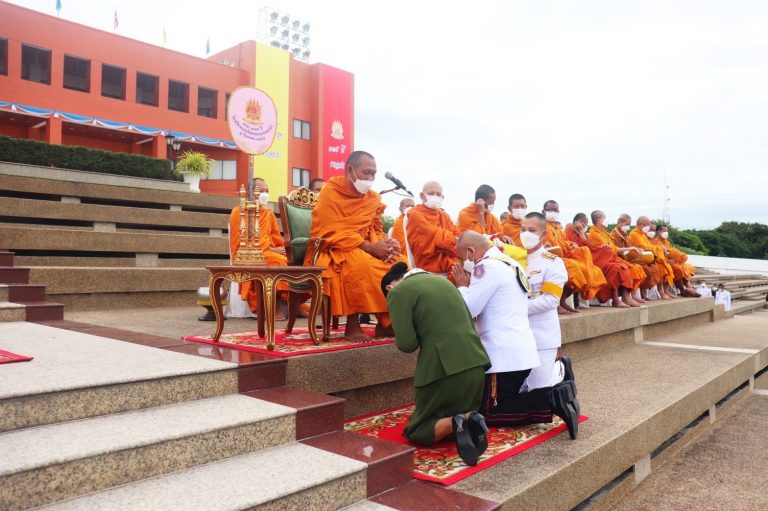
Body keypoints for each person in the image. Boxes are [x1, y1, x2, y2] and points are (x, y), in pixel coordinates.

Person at [451, 231, 580, 439]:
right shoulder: (511, 263)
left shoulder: (486, 267)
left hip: (502, 355)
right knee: (502, 400)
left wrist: (461, 287)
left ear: (471, 251)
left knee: (489, 412)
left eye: (461, 257)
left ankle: (553, 399)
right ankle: (557, 392)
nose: (462, 263)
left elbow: (469, 308)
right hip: (520, 351)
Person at [382, 262, 491, 465]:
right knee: (448, 419)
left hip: (442, 370)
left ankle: (459, 421)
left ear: (389, 287)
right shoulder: (446, 283)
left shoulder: (398, 293)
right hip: (476, 362)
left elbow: (407, 344)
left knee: (417, 429)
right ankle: (470, 416)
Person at [306, 150, 407, 342]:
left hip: (365, 246)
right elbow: (329, 230)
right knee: (360, 264)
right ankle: (352, 325)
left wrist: (385, 244)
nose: (370, 178)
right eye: (366, 173)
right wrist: (368, 247)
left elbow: (375, 228)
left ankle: (386, 323)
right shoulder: (330, 192)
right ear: (349, 170)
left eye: (373, 174)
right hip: (333, 249)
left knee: (399, 263)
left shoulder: (372, 198)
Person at [520, 212, 576, 391]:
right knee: (517, 389)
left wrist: (515, 309)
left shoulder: (553, 262)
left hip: (541, 335)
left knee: (538, 388)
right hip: (516, 335)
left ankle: (559, 370)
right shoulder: (514, 260)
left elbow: (551, 300)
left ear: (543, 234)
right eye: (523, 229)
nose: (525, 234)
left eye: (531, 230)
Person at [228, 177, 289, 316]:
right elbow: (244, 243)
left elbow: (275, 238)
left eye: (267, 191)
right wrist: (273, 250)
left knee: (292, 260)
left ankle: (293, 304)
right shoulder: (239, 212)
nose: (265, 194)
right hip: (248, 254)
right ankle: (274, 306)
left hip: (267, 252)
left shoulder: (268, 213)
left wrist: (284, 249)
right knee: (278, 261)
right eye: (261, 191)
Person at [541, 200, 607, 314]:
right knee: (575, 269)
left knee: (589, 268)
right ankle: (558, 303)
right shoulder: (542, 226)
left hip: (563, 256)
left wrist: (573, 242)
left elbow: (566, 242)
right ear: (543, 211)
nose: (553, 212)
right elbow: (550, 245)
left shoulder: (557, 228)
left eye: (555, 210)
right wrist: (568, 244)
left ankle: (562, 301)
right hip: (549, 257)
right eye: (550, 210)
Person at [567, 213, 640, 307]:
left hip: (603, 258)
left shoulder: (604, 233)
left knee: (625, 267)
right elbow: (589, 248)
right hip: (595, 259)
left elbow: (591, 247)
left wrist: (605, 248)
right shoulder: (591, 232)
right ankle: (615, 299)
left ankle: (626, 297)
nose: (586, 226)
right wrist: (604, 248)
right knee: (615, 268)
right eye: (604, 219)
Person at [404, 181, 459, 274]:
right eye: (431, 194)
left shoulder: (444, 215)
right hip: (429, 264)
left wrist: (463, 240)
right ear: (422, 196)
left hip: (450, 261)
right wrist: (458, 241)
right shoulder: (415, 214)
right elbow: (437, 237)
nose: (435, 197)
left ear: (442, 198)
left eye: (438, 194)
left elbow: (457, 233)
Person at [628, 217, 674, 300]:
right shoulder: (634, 234)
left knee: (660, 267)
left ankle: (662, 291)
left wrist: (659, 249)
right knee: (653, 268)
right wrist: (659, 249)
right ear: (641, 225)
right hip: (637, 259)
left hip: (646, 258)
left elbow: (649, 247)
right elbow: (644, 247)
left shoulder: (642, 234)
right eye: (647, 226)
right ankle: (644, 293)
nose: (648, 228)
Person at [656, 225, 700, 297]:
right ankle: (682, 290)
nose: (666, 233)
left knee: (687, 267)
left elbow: (673, 252)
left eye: (667, 231)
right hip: (665, 261)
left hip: (672, 261)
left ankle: (689, 287)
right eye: (664, 231)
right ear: (658, 232)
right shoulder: (656, 241)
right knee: (677, 269)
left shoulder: (667, 242)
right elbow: (663, 254)